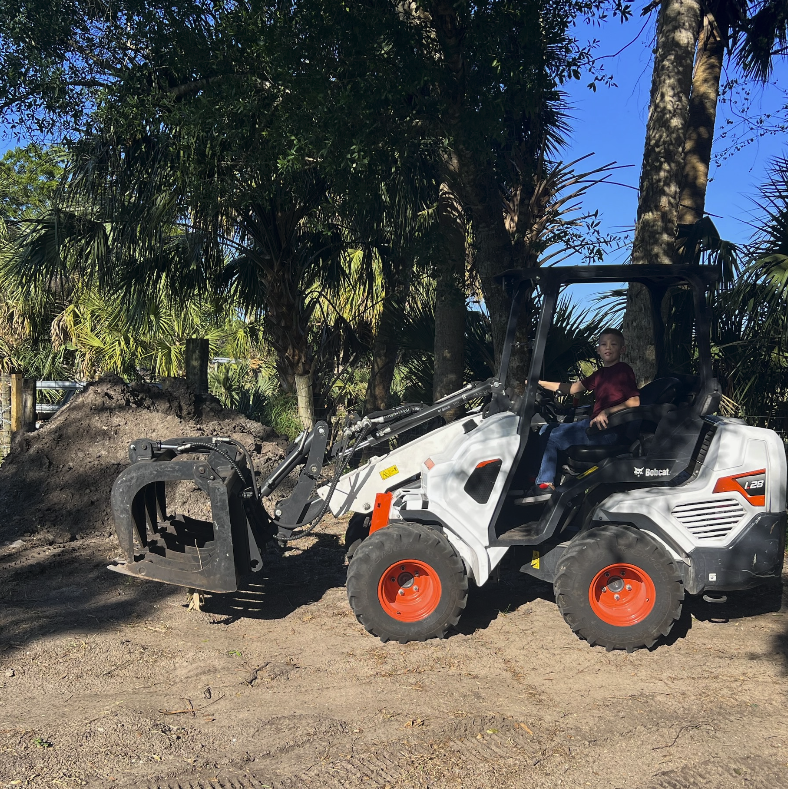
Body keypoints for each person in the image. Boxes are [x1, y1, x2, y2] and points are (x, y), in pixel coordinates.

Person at [524, 327, 640, 502]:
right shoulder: (600, 374)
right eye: (603, 344)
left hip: (607, 430)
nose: (608, 347)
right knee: (544, 429)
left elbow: (635, 402)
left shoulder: (623, 370)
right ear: (598, 349)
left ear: (622, 349)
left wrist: (607, 411)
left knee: (551, 436)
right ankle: (535, 479)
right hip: (594, 426)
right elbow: (570, 388)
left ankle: (545, 485)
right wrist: (537, 383)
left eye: (613, 344)